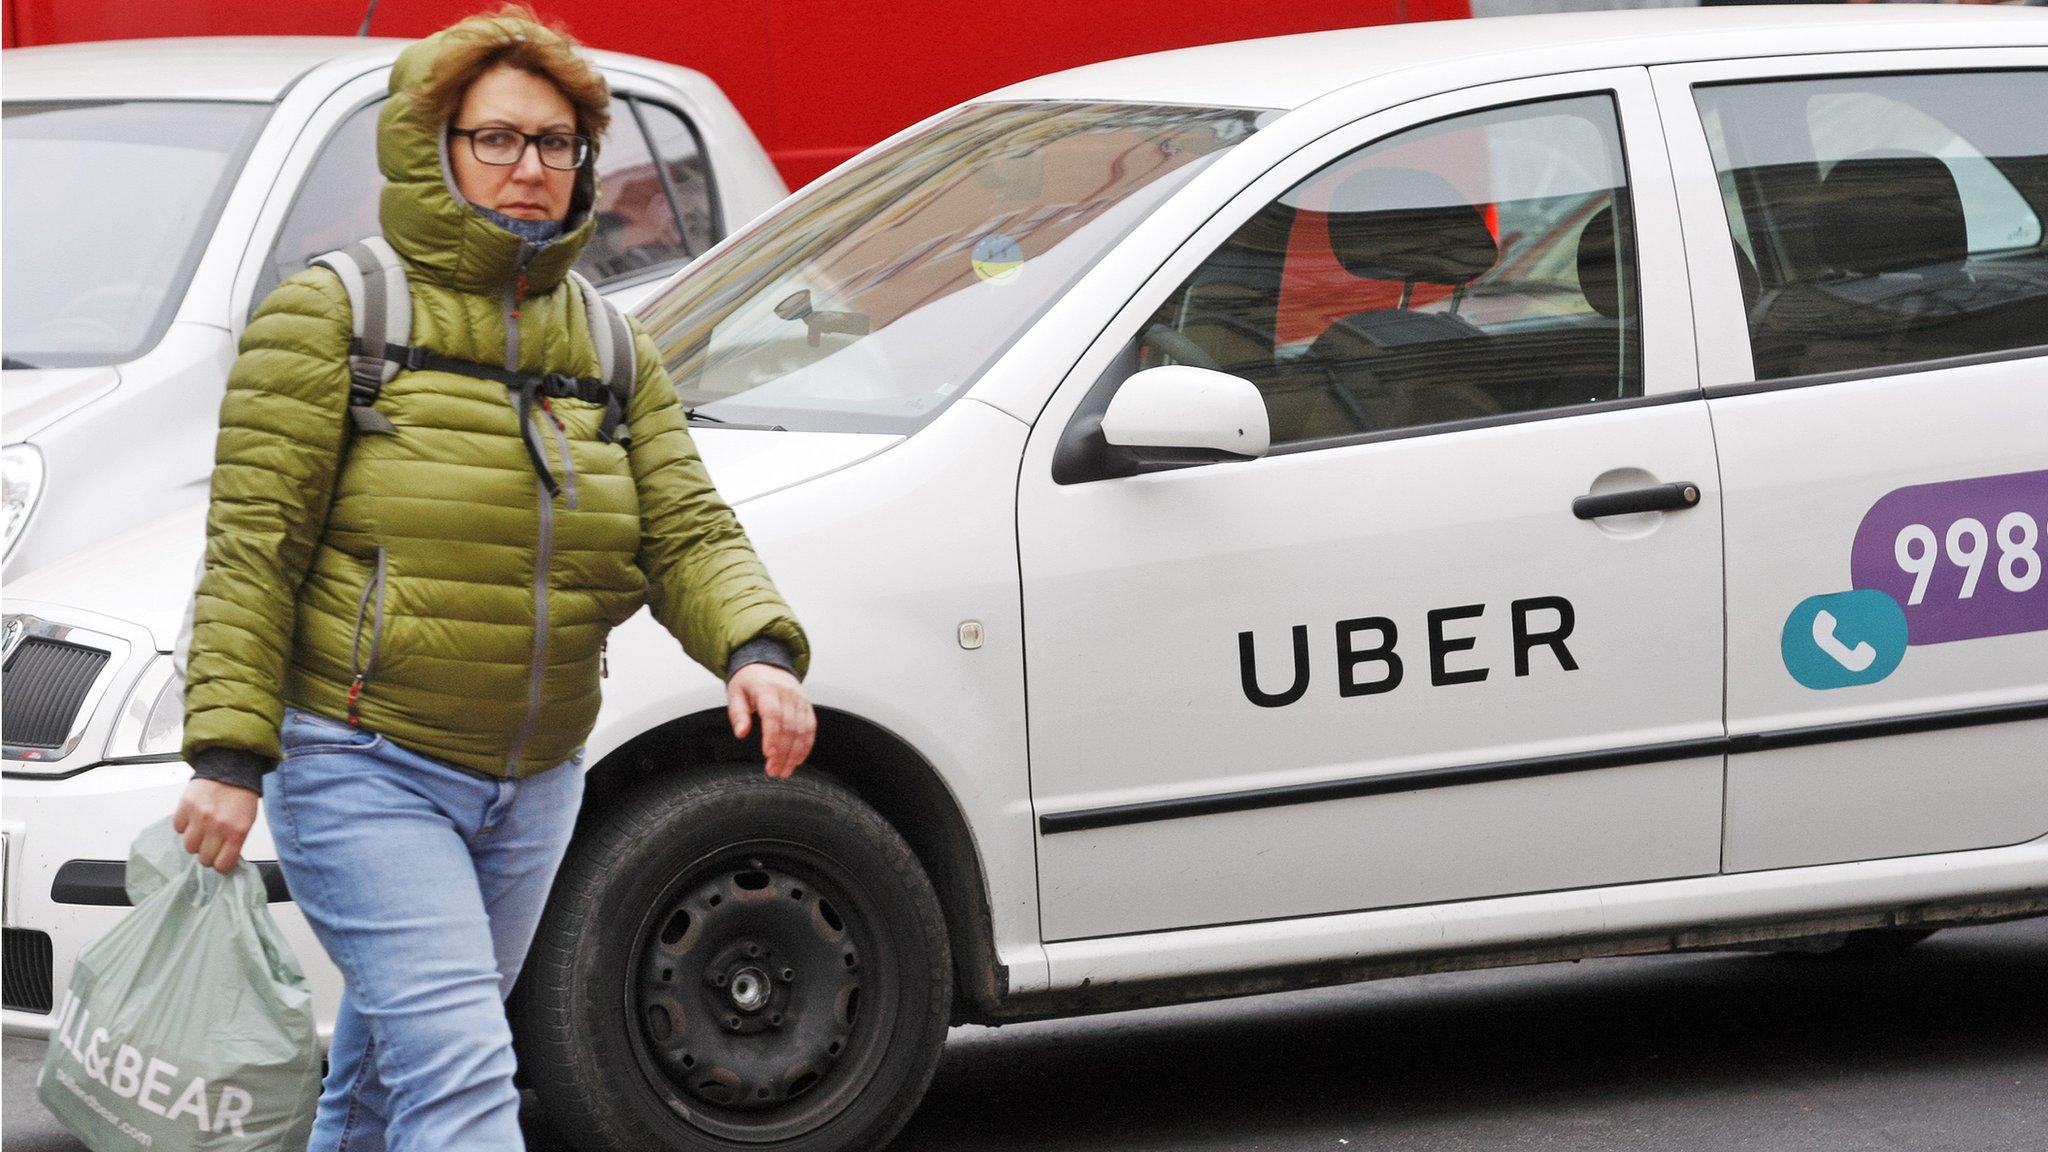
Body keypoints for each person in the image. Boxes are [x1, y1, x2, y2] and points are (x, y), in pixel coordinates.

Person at [169, 7, 815, 1149]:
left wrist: (755, 649)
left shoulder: (610, 346)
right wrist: (228, 756)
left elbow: (684, 525)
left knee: (381, 1084)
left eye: (558, 144)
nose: (532, 169)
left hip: (533, 781)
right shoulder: (334, 315)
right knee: (464, 1075)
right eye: (498, 140)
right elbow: (252, 547)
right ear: (434, 146)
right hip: (362, 762)